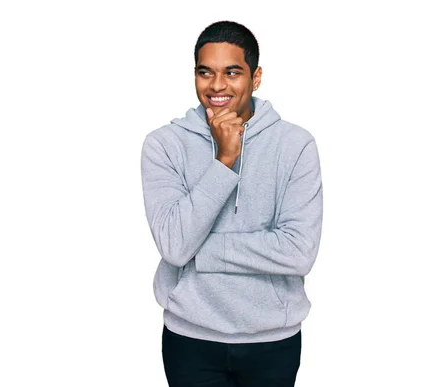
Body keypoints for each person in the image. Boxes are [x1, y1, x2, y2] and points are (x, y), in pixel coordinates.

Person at [141, 20, 323, 387]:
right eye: (205, 72)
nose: (217, 85)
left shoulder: (296, 145)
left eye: (232, 72)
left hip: (273, 340)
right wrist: (224, 160)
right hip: (189, 338)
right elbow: (175, 246)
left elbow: (299, 251)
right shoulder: (163, 145)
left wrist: (201, 253)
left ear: (255, 78)